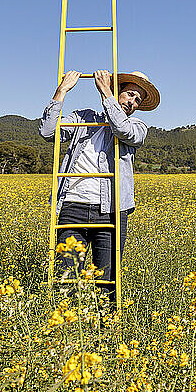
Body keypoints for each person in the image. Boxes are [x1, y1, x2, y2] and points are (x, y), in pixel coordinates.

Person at [39, 69, 160, 307]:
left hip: (111, 210)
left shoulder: (137, 126)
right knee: (67, 279)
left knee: (107, 282)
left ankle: (105, 336)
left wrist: (105, 92)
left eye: (138, 100)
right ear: (119, 91)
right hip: (72, 207)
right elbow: (47, 132)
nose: (133, 103)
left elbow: (122, 130)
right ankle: (67, 335)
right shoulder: (84, 117)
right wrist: (61, 90)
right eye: (130, 95)